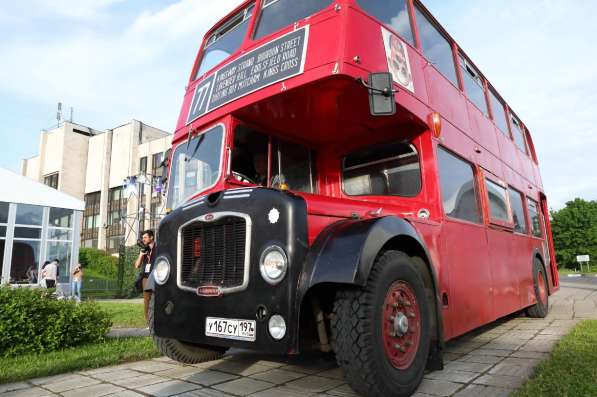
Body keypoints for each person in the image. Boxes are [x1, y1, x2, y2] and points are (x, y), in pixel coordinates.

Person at [134, 230, 156, 325]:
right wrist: (140, 255)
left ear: (151, 237)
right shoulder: (144, 249)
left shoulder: (158, 248)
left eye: (145, 238)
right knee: (147, 300)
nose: (143, 240)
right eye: (143, 238)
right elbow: (136, 265)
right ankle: (148, 322)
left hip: (157, 277)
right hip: (146, 278)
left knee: (158, 298)